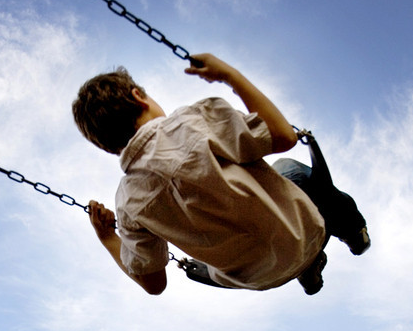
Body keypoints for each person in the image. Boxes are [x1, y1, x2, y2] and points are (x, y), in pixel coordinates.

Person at [71, 52, 369, 296]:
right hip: (303, 232)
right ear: (138, 96)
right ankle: (353, 230)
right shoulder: (192, 123)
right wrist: (230, 75)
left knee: (220, 246)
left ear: (107, 146)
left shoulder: (128, 204)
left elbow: (154, 284)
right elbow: (282, 136)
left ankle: (309, 269)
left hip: (259, 277)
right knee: (289, 168)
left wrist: (107, 237)